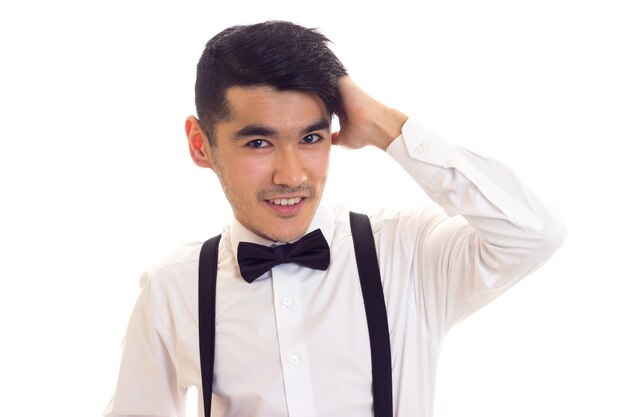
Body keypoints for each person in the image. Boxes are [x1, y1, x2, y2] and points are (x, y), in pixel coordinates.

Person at [104, 21, 566, 417]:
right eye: (258, 143)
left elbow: (534, 234)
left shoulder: (407, 255)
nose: (291, 175)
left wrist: (387, 126)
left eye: (310, 137)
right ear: (200, 143)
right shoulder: (171, 290)